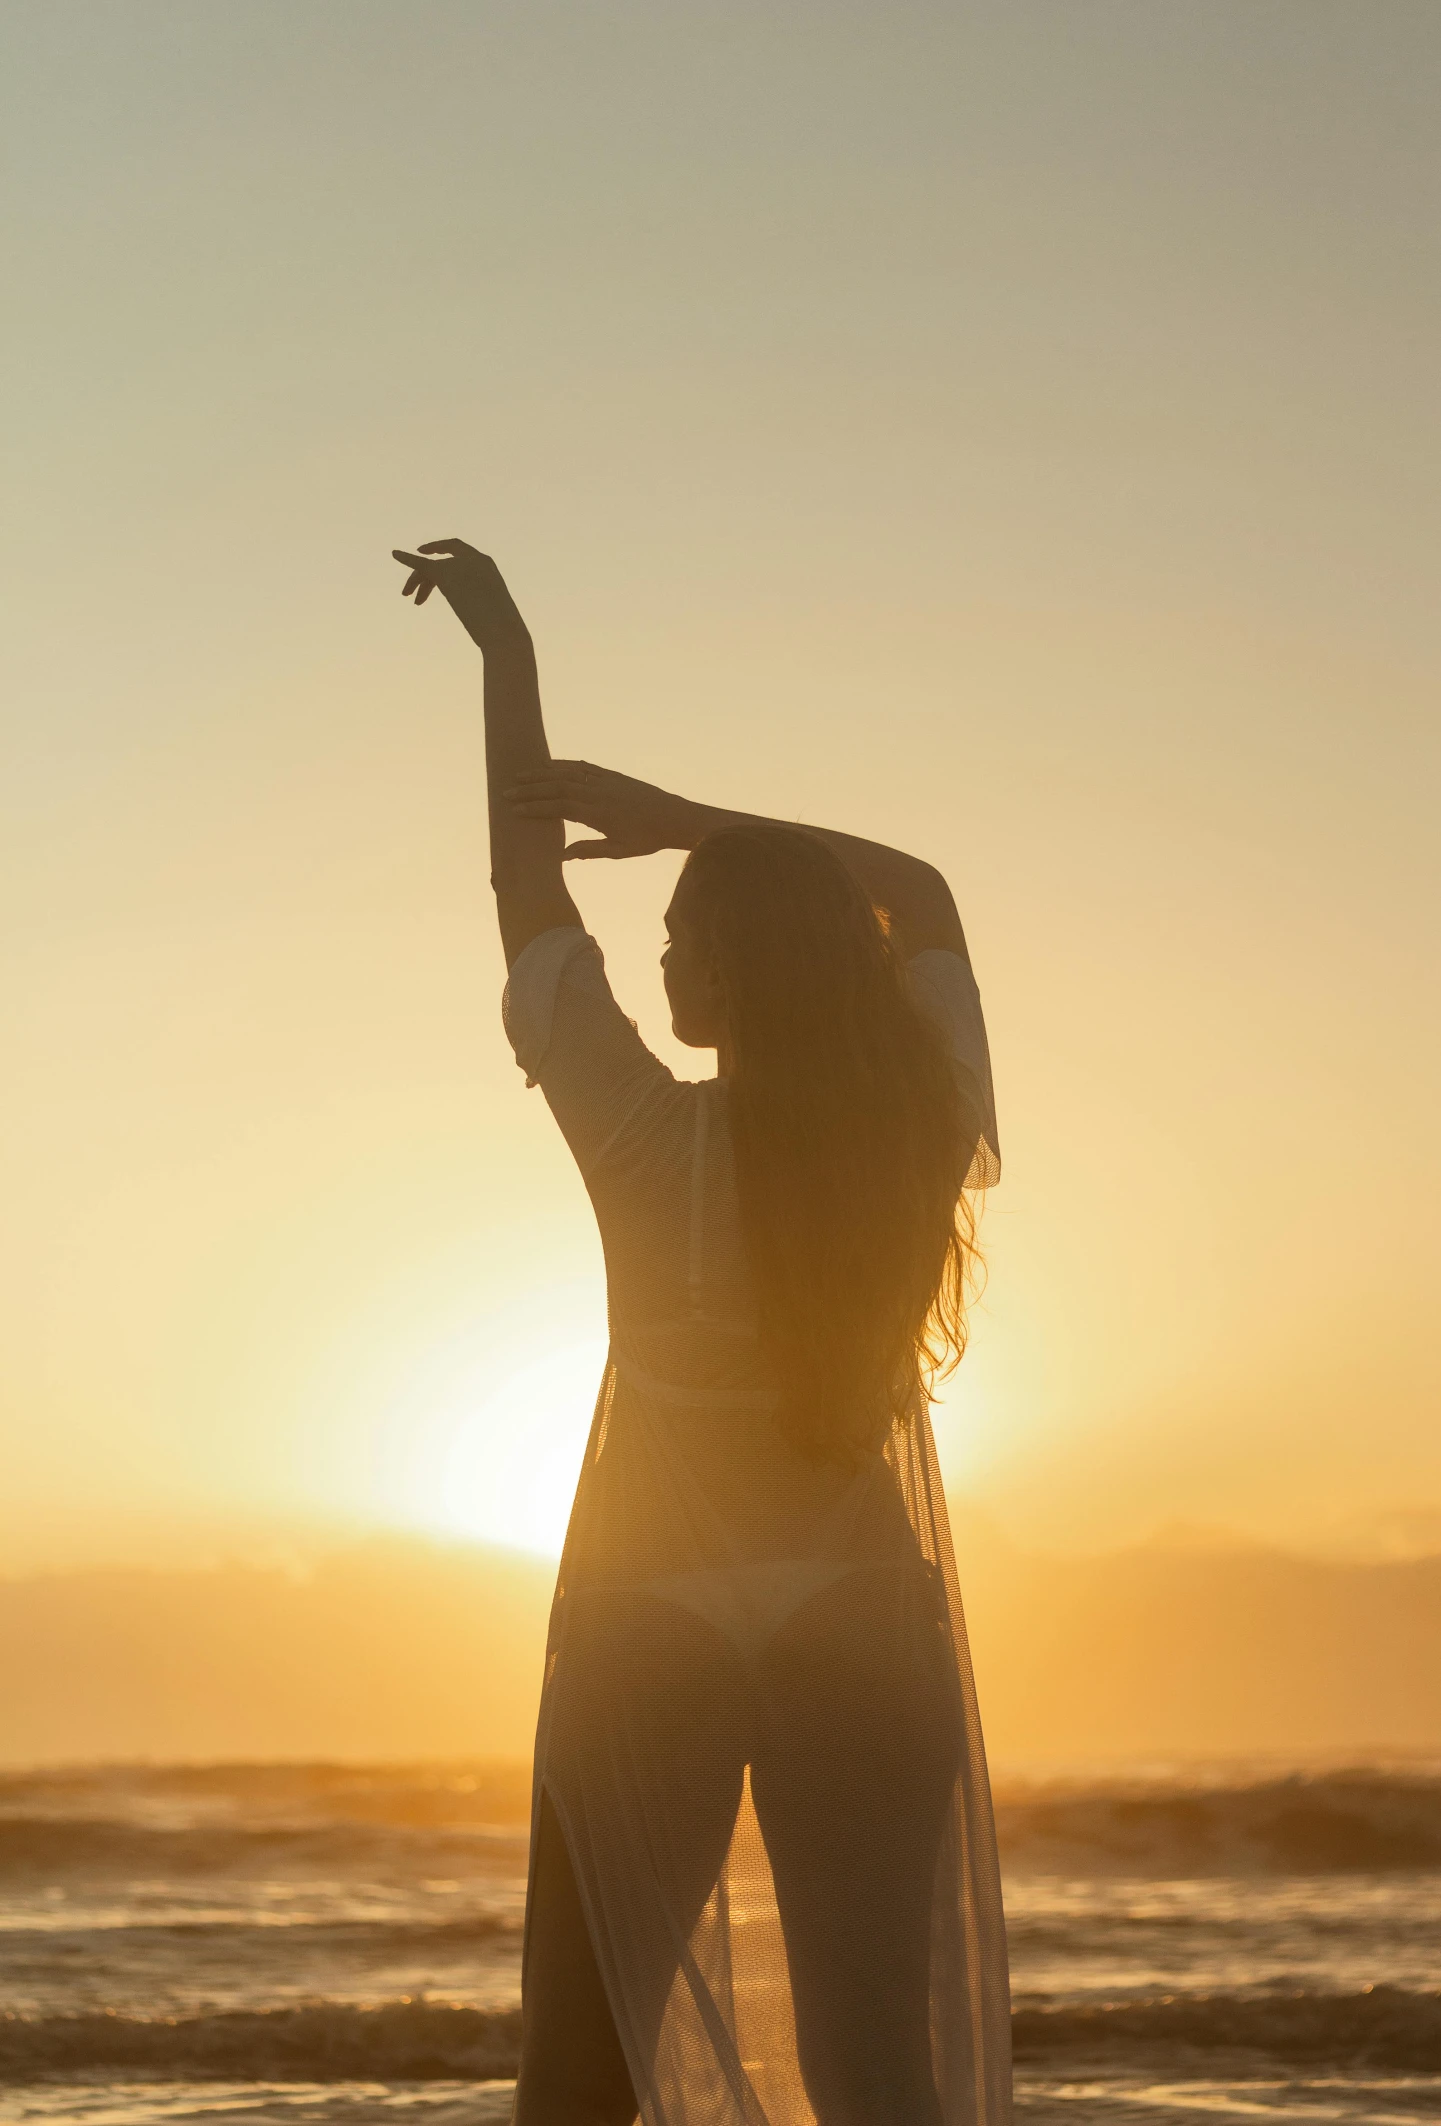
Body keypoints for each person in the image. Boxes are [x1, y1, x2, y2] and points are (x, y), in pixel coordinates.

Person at [394, 538, 1012, 2126]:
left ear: (733, 969)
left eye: (681, 925)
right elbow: (921, 890)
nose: (660, 947)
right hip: (862, 1624)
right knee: (881, 2072)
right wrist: (692, 823)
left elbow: (519, 886)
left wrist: (505, 652)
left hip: (647, 1619)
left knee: (580, 2070)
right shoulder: (918, 1122)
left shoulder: (639, 1137)